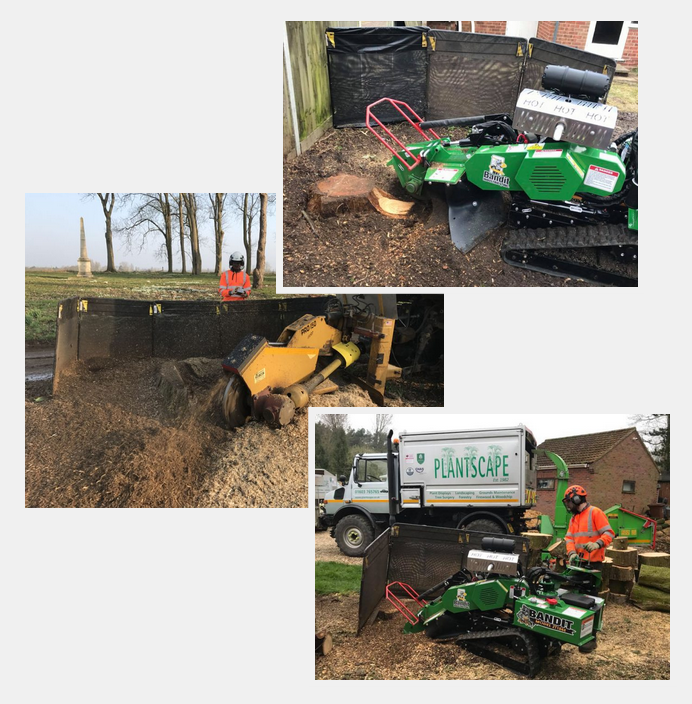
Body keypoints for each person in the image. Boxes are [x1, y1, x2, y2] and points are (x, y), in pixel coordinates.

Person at [563, 484, 615, 653]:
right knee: (575, 597)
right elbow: (569, 538)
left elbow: (609, 533)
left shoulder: (595, 513)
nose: (568, 506)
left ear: (577, 499)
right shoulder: (574, 518)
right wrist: (571, 553)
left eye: (569, 502)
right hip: (578, 563)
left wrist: (597, 543)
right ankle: (576, 631)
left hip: (593, 564)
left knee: (591, 600)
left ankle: (591, 638)